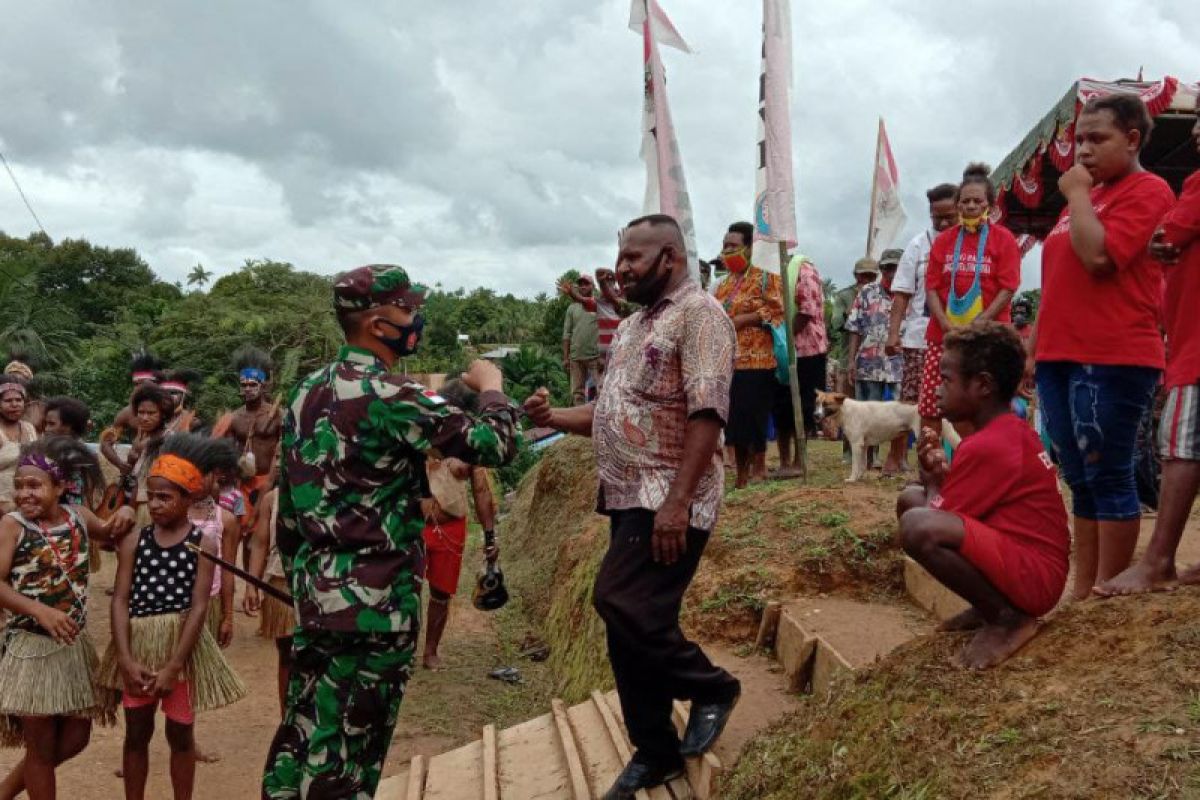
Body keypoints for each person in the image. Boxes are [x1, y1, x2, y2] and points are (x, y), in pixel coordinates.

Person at [261, 264, 520, 799]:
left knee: (305, 732)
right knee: (352, 752)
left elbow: (288, 510)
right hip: (376, 607)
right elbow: (494, 445)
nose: (417, 318)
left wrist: (307, 581)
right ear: (379, 324)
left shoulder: (303, 393)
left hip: (317, 594)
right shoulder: (392, 394)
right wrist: (491, 385)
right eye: (409, 309)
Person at [525, 214, 742, 800]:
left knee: (617, 600)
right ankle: (654, 751)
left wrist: (677, 504)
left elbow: (708, 415)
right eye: (620, 259)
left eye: (633, 260)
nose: (620, 271)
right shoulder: (632, 327)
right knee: (630, 626)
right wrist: (549, 422)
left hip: (669, 497)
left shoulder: (702, 317)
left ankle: (712, 686)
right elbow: (606, 414)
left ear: (669, 258)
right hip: (625, 497)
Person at [1026, 94, 1176, 601]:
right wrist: (1034, 351)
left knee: (1107, 472)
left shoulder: (1146, 190)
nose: (1082, 151)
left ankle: (1108, 593)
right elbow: (1058, 280)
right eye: (1079, 139)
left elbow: (1097, 258)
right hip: (1060, 356)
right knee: (1079, 477)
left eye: (1097, 139)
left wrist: (1076, 196)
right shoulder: (1087, 199)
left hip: (1113, 356)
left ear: (1132, 140)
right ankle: (1082, 589)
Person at [897, 323, 1068, 669]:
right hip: (1024, 560)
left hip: (1034, 576)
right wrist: (932, 482)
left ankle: (1008, 618)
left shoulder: (989, 445)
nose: (937, 389)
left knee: (917, 524)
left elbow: (937, 519)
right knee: (911, 498)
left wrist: (934, 484)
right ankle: (988, 604)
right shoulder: (1005, 432)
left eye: (946, 380)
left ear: (983, 386)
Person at [98, 434, 246, 800]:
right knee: (136, 733)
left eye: (167, 497)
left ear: (188, 498)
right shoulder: (134, 540)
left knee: (180, 735)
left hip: (179, 651)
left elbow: (198, 606)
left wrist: (175, 665)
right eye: (153, 496)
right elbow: (120, 600)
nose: (157, 504)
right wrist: (126, 658)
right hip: (139, 646)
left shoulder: (203, 544)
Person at [1096, 96, 1200, 596]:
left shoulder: (1194, 187)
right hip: (1185, 338)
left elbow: (1168, 234)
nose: (1198, 129)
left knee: (1181, 449)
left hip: (1195, 346)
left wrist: (1168, 239)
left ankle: (1158, 560)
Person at [0, 437, 135, 800]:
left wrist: (126, 512)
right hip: (31, 650)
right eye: (19, 486)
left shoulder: (78, 516)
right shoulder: (12, 526)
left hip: (73, 648)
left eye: (35, 485)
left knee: (76, 738)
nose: (25, 493)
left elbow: (110, 534)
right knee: (40, 748)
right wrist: (39, 611)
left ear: (60, 487)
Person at [920, 163, 1022, 439]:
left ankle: (980, 465)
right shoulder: (944, 242)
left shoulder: (1004, 239)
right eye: (965, 201)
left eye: (978, 201)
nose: (971, 206)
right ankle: (931, 471)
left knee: (983, 401)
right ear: (957, 205)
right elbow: (931, 286)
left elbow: (1008, 287)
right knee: (932, 402)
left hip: (989, 336)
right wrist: (946, 325)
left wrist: (980, 323)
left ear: (990, 203)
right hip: (944, 335)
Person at [418, 379, 500, 670]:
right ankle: (401, 647)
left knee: (441, 592)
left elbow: (481, 491)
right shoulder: (418, 431)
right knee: (406, 586)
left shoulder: (470, 442)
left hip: (450, 527)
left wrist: (490, 538)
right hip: (414, 524)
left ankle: (430, 651)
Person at [713, 221, 784, 488]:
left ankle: (758, 468)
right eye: (725, 245)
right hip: (729, 360)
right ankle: (741, 475)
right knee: (735, 418)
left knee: (754, 415)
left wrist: (745, 319)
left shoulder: (766, 276)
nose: (727, 250)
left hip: (758, 359)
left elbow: (777, 311)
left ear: (749, 248)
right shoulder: (723, 284)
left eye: (733, 245)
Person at [887, 183, 960, 424]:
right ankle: (897, 458)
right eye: (936, 218)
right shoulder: (918, 245)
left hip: (961, 336)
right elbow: (901, 293)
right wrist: (893, 334)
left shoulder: (970, 243)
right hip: (920, 336)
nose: (943, 224)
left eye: (949, 217)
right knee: (912, 399)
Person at [213, 347, 282, 566]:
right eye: (244, 385)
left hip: (268, 483)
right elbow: (222, 451)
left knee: (260, 538)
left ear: (263, 386)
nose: (248, 389)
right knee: (241, 535)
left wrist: (269, 484)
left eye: (253, 385)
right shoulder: (234, 418)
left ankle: (259, 589)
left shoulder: (278, 415)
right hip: (242, 485)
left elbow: (281, 454)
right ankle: (247, 585)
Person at [846, 252, 906, 474]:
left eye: (896, 268)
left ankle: (898, 457)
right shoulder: (867, 292)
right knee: (869, 413)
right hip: (869, 362)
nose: (892, 273)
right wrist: (851, 361)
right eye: (888, 268)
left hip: (900, 364)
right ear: (882, 269)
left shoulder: (911, 293)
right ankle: (871, 459)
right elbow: (854, 328)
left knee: (901, 412)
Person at [770, 254, 828, 475]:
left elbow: (806, 311)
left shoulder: (804, 269)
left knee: (804, 406)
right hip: (779, 352)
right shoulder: (767, 273)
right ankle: (784, 461)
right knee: (781, 406)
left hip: (807, 350)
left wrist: (785, 339)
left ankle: (798, 461)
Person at [242, 487, 292, 715]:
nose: (282, 462)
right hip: (280, 581)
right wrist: (251, 584)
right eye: (278, 458)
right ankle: (288, 717)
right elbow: (260, 543)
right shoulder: (272, 498)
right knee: (288, 651)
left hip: (316, 582)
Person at [100, 352, 165, 476]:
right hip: (136, 472)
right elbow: (105, 443)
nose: (138, 389)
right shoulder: (127, 413)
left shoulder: (170, 411)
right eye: (136, 384)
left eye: (142, 384)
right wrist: (120, 464)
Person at [0, 378, 39, 516]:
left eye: (18, 400)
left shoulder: (29, 428)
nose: (14, 404)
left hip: (29, 502)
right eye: (8, 401)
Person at [562, 274, 602, 405]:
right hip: (576, 357)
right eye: (581, 284)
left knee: (600, 391)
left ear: (593, 286)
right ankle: (579, 422)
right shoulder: (571, 308)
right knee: (577, 393)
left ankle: (597, 421)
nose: (583, 286)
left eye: (586, 284)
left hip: (595, 357)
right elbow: (566, 333)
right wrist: (566, 357)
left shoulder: (598, 305)